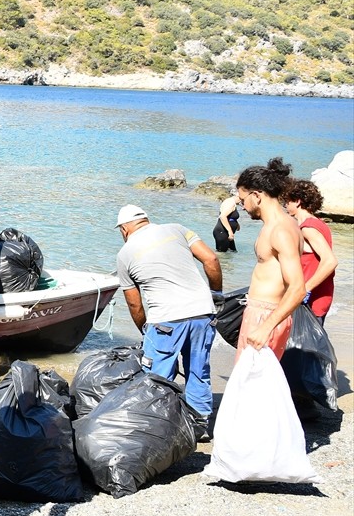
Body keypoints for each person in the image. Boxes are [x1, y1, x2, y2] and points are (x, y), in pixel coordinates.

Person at [114, 205, 222, 438]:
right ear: (146, 220)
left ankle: (158, 430)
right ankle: (200, 426)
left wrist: (145, 330)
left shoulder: (124, 255)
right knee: (198, 370)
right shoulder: (177, 229)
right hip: (203, 312)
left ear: (124, 229)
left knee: (157, 377)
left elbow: (134, 304)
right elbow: (211, 260)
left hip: (165, 319)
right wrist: (217, 295)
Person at [234, 158, 305, 361]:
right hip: (261, 314)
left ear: (256, 196)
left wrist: (266, 326)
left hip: (265, 316)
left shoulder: (280, 230)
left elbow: (298, 288)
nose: (242, 206)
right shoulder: (280, 225)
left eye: (242, 200)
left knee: (251, 387)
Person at [283, 178, 337, 324]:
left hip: (312, 301)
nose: (285, 205)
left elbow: (330, 261)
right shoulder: (318, 223)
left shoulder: (308, 228)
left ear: (298, 201)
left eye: (287, 201)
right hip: (318, 297)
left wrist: (305, 289)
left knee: (303, 345)